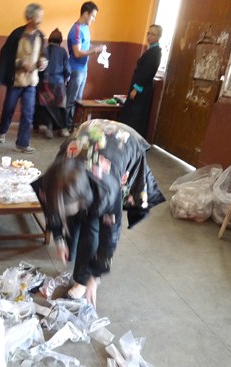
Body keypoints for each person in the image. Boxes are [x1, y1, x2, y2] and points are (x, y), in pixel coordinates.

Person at [31, 119, 165, 306]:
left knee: (92, 228)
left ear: (84, 201)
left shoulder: (106, 193)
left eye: (72, 208)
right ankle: (71, 246)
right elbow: (53, 209)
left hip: (122, 141)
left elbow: (109, 238)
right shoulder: (52, 181)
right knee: (69, 218)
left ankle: (81, 279)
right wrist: (60, 239)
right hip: (90, 133)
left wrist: (94, 276)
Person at [0, 3, 48, 153]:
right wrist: (20, 63)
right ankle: (2, 130)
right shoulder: (17, 34)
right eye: (39, 16)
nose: (41, 19)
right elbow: (6, 55)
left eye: (42, 16)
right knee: (9, 108)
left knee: (28, 112)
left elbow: (43, 54)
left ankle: (23, 143)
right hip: (16, 81)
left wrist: (43, 62)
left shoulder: (40, 36)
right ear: (30, 17)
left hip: (31, 82)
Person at [64, 1, 104, 136]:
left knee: (78, 100)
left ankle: (73, 125)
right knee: (71, 100)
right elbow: (77, 52)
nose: (93, 19)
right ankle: (65, 126)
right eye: (93, 16)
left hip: (83, 69)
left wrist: (96, 48)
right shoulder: (76, 30)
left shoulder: (85, 28)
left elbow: (85, 45)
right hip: (75, 69)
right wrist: (94, 51)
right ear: (86, 14)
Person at [119, 24, 163, 139]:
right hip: (138, 87)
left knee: (135, 117)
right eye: (149, 33)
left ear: (158, 37)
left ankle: (132, 141)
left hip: (141, 90)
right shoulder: (150, 50)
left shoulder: (155, 53)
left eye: (153, 34)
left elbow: (147, 73)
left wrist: (136, 89)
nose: (149, 36)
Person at [35, 28, 70, 139]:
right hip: (59, 84)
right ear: (60, 40)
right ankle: (63, 129)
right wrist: (67, 78)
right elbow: (67, 69)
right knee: (59, 106)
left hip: (45, 83)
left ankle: (48, 128)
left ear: (50, 39)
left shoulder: (44, 50)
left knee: (47, 106)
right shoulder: (63, 51)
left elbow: (39, 69)